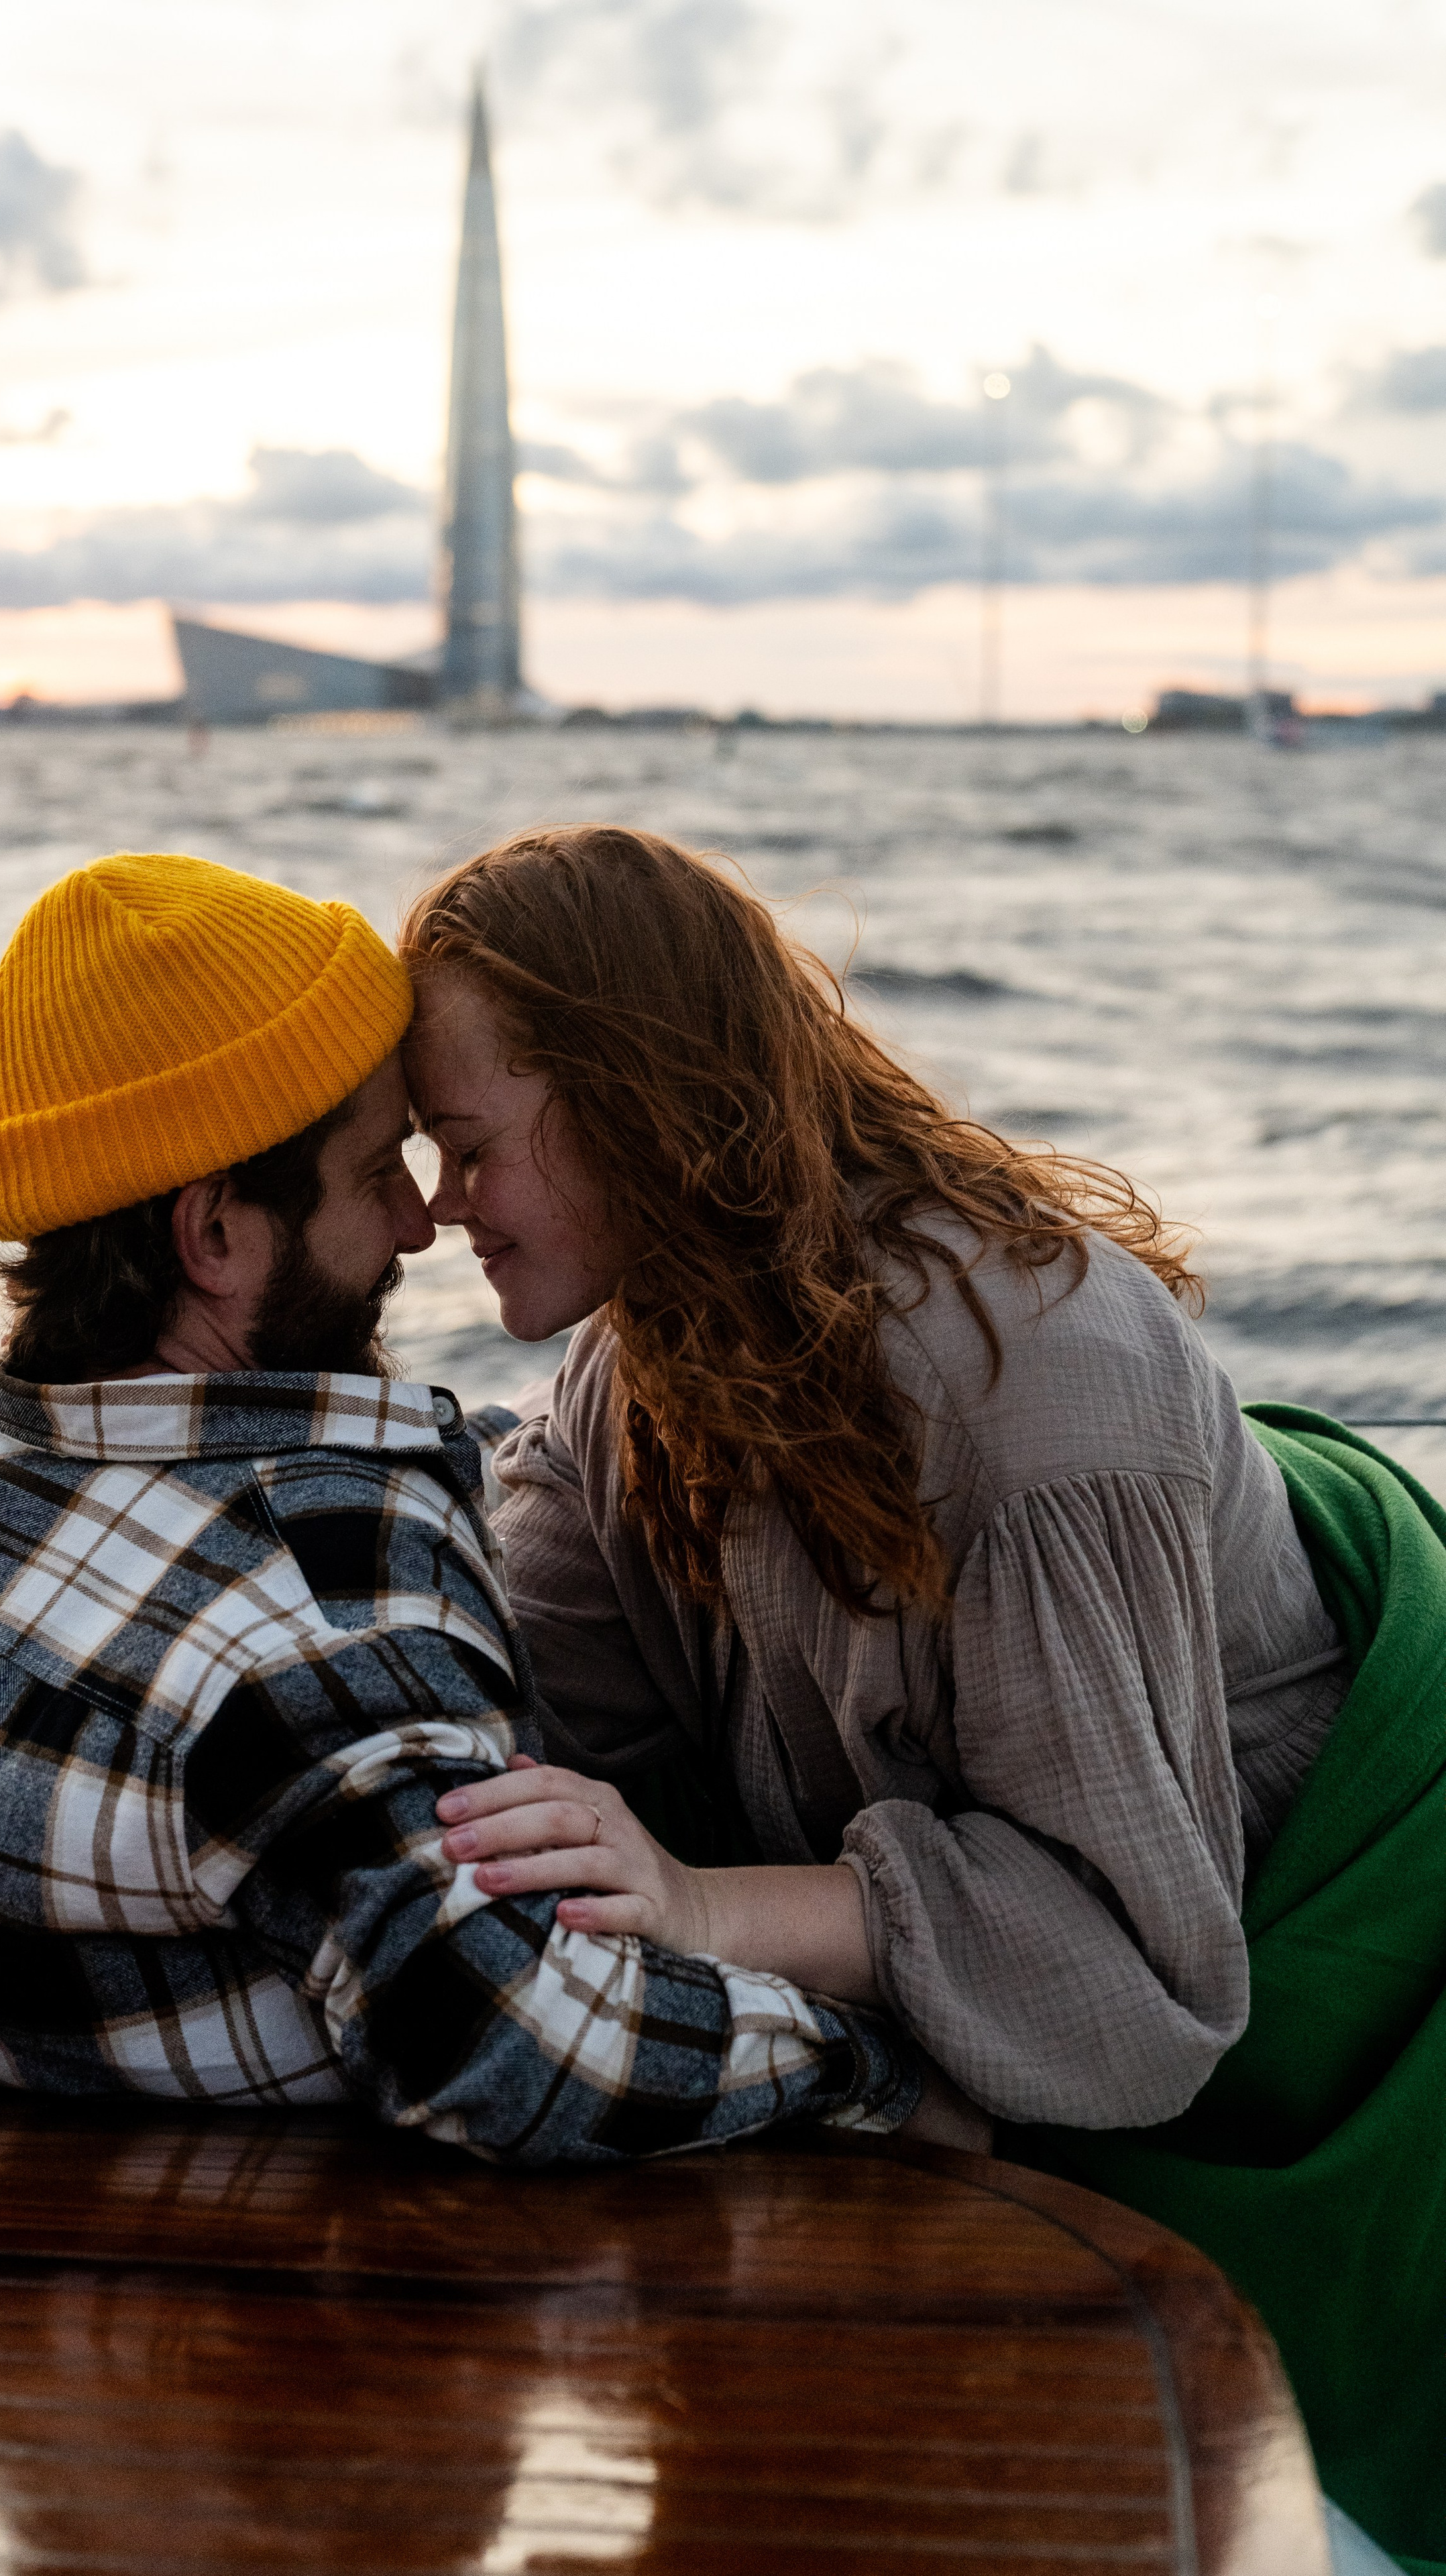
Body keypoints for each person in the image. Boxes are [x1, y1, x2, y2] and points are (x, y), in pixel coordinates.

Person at [400, 824, 1446, 2568]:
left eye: (467, 1148)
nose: (439, 1212)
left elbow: (1139, 1980)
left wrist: (703, 1901)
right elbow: (543, 1745)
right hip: (1052, 1904)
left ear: (631, 1100)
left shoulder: (1033, 1389)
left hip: (1316, 1925)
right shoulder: (612, 1387)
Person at [0, 850, 926, 2166]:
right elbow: (531, 2054)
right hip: (260, 2312)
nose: (422, 1223)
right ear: (215, 1236)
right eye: (376, 1175)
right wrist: (877, 2067)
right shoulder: (318, 1615)